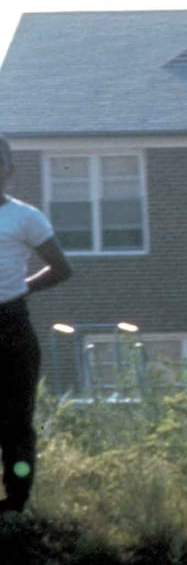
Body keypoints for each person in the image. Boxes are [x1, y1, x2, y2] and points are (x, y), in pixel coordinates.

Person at [0, 134, 73, 513]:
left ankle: (16, 501)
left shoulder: (25, 217)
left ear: (8, 170)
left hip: (10, 327)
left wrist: (20, 289)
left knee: (16, 422)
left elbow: (62, 268)